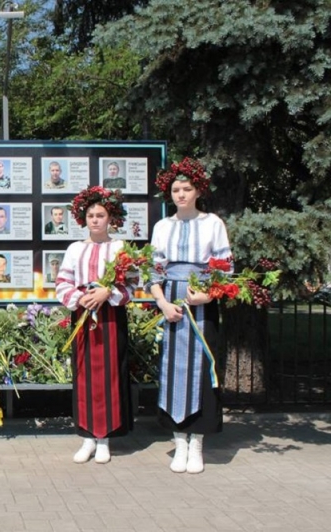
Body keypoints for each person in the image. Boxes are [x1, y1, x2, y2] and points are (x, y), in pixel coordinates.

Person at [147, 157, 229, 475]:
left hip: (202, 303)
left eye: (187, 188)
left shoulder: (212, 224)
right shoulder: (163, 226)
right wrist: (163, 303)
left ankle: (197, 443)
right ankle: (178, 439)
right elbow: (152, 271)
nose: (181, 194)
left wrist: (208, 294)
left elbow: (224, 270)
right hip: (172, 305)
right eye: (176, 189)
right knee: (171, 369)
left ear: (198, 191)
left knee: (202, 367)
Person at [55, 186, 133, 465]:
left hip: (110, 317)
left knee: (110, 374)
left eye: (101, 215)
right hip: (84, 317)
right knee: (85, 375)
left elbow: (132, 285)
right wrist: (80, 298)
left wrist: (106, 293)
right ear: (83, 218)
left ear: (111, 218)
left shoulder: (120, 248)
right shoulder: (75, 248)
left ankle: (105, 439)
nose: (96, 220)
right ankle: (88, 437)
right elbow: (62, 283)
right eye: (91, 215)